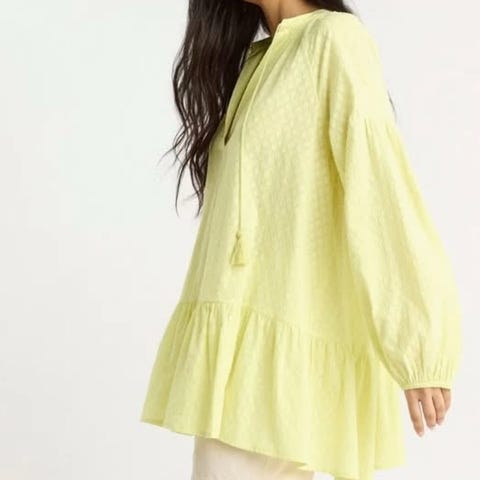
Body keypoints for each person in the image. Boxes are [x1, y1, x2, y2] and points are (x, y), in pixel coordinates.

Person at [140, 1, 463, 479]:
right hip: (245, 357)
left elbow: (379, 184)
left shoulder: (334, 40)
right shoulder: (257, 61)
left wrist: (419, 341)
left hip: (285, 356)